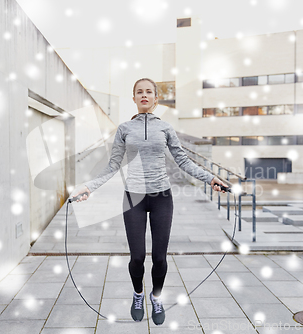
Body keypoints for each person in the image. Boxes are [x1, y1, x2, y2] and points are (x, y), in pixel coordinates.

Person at [72, 78, 228, 325]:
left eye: (149, 92)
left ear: (156, 99)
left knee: (159, 258)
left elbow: (183, 161)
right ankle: (137, 294)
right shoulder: (124, 129)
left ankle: (156, 297)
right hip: (133, 197)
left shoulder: (166, 128)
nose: (144, 95)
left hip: (161, 198)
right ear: (133, 98)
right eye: (139, 92)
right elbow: (113, 165)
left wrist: (211, 178)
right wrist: (88, 187)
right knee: (137, 257)